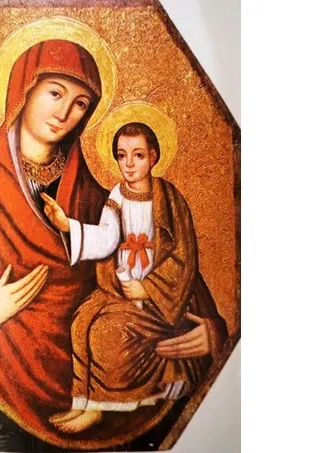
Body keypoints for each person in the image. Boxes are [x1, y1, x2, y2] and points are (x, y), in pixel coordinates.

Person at [0, 39, 226, 452]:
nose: (64, 113)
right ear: (24, 88)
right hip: (4, 401)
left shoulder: (95, 198)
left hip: (115, 388)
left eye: (80, 104)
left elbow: (163, 259)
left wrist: (210, 332)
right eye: (55, 93)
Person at [42, 122, 221, 434]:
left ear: (153, 157)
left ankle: (100, 407)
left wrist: (147, 288)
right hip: (122, 286)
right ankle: (82, 400)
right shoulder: (117, 194)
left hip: (159, 299)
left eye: (138, 155)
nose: (129, 164)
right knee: (80, 321)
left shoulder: (169, 198)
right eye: (121, 155)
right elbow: (107, 238)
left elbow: (183, 255)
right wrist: (68, 225)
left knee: (106, 331)